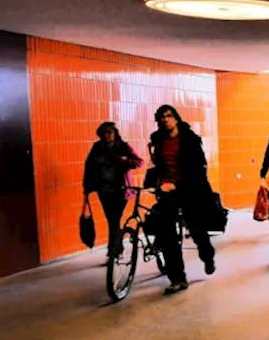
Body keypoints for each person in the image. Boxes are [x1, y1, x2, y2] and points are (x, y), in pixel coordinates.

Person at [148, 104, 216, 294]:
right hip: (167, 190)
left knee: (196, 229)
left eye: (169, 116)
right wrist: (159, 183)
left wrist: (177, 185)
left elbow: (198, 169)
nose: (165, 119)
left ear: (176, 118)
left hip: (189, 189)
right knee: (166, 233)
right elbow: (157, 165)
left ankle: (207, 255)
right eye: (161, 117)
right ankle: (177, 278)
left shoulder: (189, 139)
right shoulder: (158, 140)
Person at [82, 122, 142, 260]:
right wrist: (87, 186)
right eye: (103, 133)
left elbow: (139, 162)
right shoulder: (97, 148)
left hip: (121, 190)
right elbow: (89, 166)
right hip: (104, 189)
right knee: (112, 220)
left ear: (115, 133)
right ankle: (116, 249)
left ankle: (114, 250)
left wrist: (126, 159)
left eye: (109, 132)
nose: (106, 135)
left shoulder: (123, 146)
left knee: (114, 220)